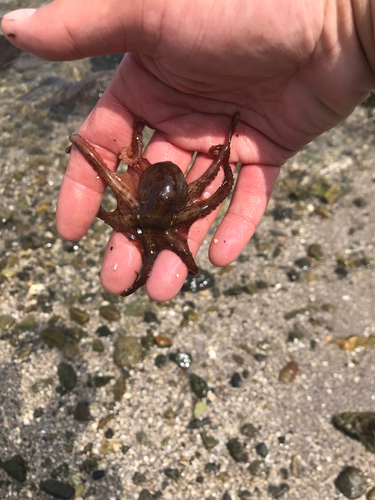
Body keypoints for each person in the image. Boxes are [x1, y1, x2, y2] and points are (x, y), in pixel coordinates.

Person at [1, 0, 374, 301]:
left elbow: (212, 185)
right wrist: (342, 20)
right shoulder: (158, 205)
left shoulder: (160, 201)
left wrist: (343, 19)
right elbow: (212, 185)